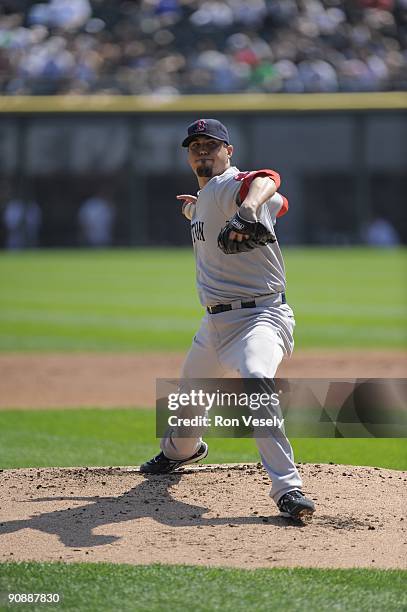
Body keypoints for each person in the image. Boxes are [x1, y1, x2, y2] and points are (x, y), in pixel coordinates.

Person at [141, 118, 315, 523]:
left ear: (228, 151)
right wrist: (195, 209)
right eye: (195, 145)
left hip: (261, 317)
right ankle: (181, 453)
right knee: (187, 407)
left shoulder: (231, 186)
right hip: (214, 327)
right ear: (187, 155)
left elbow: (268, 178)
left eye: (211, 144)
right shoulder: (207, 198)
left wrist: (251, 205)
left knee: (256, 380)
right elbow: (281, 202)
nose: (202, 150)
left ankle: (288, 489)